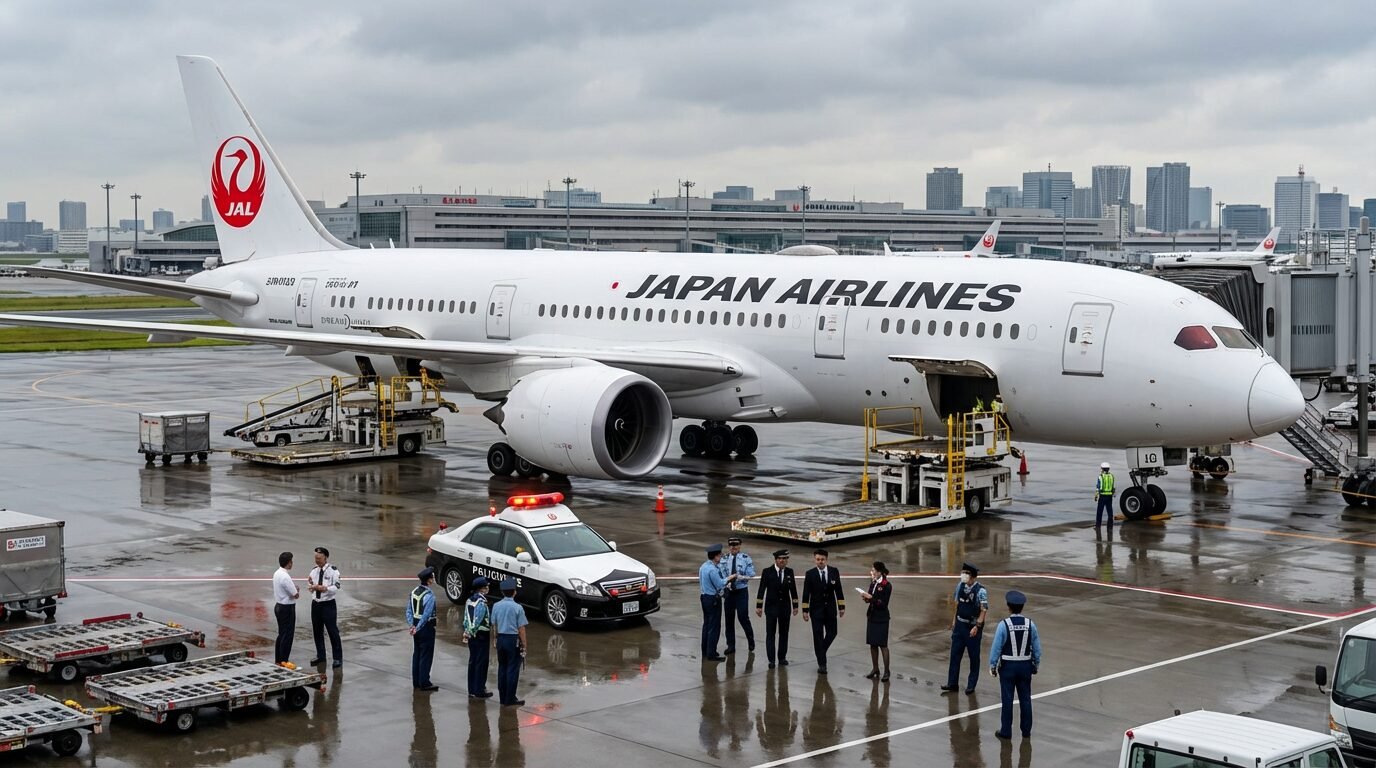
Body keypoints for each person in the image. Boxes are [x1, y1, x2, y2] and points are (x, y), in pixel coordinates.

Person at [988, 590, 1041, 740]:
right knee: (1025, 699)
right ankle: (1026, 731)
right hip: (1025, 666)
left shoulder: (1003, 625)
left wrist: (993, 665)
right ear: (1022, 607)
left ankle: (1006, 731)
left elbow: (996, 647)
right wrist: (1036, 664)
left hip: (1008, 667)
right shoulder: (1031, 625)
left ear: (1008, 606)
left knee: (1007, 699)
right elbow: (1037, 648)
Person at [942, 562, 988, 694]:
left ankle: (971, 684)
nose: (963, 575)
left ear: (972, 576)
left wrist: (977, 627)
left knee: (974, 657)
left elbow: (983, 610)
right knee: (955, 655)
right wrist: (954, 621)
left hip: (972, 626)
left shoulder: (981, 591)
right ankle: (952, 683)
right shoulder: (960, 586)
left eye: (966, 573)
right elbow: (957, 605)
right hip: (960, 625)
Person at [801, 548, 844, 674]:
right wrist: (805, 610)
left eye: (822, 560)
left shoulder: (834, 571)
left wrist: (841, 607)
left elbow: (839, 590)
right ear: (815, 560)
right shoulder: (810, 574)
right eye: (818, 559)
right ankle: (822, 664)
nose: (820, 562)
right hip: (816, 611)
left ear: (826, 560)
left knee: (833, 632)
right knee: (818, 635)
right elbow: (806, 593)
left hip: (830, 609)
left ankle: (820, 651)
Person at [755, 548, 798, 668]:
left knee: (784, 634)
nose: (782, 561)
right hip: (771, 608)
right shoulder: (767, 572)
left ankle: (782, 657)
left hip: (785, 608)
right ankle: (771, 660)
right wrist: (759, 606)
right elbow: (761, 589)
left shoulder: (790, 572)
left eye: (784, 559)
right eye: (780, 559)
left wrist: (795, 605)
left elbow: (793, 590)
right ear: (776, 560)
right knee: (771, 634)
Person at [491, 578, 528, 706]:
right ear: (514, 592)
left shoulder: (496, 606)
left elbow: (494, 625)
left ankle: (502, 698)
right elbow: (521, 628)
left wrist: (495, 639)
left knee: (502, 668)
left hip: (501, 638)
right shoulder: (518, 608)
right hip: (513, 640)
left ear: (502, 592)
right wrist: (524, 645)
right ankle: (510, 698)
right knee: (512, 669)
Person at [307, 546, 343, 668]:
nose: (317, 560)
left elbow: (336, 587)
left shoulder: (333, 571)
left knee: (332, 631)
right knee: (317, 631)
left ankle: (337, 658)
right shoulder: (314, 571)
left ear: (325, 557)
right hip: (316, 604)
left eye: (319, 558)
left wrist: (325, 588)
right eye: (316, 558)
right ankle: (320, 655)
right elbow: (310, 583)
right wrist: (312, 587)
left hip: (328, 605)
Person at [721, 537, 756, 655]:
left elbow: (752, 574)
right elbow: (721, 574)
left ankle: (750, 639)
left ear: (740, 546)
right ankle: (731, 645)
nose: (733, 547)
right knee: (729, 619)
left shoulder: (746, 558)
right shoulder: (724, 559)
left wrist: (740, 576)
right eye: (731, 545)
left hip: (741, 591)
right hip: (729, 592)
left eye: (735, 545)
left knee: (743, 617)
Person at [860, 561, 892, 681]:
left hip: (882, 618)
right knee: (873, 644)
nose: (872, 572)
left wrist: (871, 599)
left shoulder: (886, 585)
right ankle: (875, 668)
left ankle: (887, 671)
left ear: (879, 572)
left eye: (873, 570)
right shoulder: (873, 583)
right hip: (872, 616)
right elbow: (871, 598)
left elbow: (883, 604)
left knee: (883, 645)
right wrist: (866, 598)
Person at [699, 543, 732, 661]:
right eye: (720, 555)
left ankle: (705, 651)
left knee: (706, 625)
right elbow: (720, 584)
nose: (721, 557)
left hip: (704, 598)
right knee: (714, 627)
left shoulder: (703, 566)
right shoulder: (712, 570)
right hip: (713, 600)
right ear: (716, 556)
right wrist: (729, 578)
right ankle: (711, 653)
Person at [407, 567, 439, 691]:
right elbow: (426, 614)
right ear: (429, 580)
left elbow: (409, 610)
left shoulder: (414, 592)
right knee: (426, 654)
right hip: (426, 627)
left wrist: (412, 626)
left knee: (417, 653)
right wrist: (419, 627)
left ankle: (416, 681)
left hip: (415, 623)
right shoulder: (430, 596)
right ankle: (424, 681)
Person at [464, 576, 493, 699]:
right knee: (481, 662)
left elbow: (466, 618)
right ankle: (479, 689)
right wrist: (472, 631)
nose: (487, 588)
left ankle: (472, 689)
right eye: (486, 586)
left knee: (473, 661)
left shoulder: (469, 600)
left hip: (472, 635)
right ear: (482, 589)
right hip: (480, 635)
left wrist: (467, 632)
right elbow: (478, 619)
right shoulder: (481, 602)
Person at [272, 551, 299, 665]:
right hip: (287, 608)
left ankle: (278, 659)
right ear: (288, 563)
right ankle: (284, 660)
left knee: (281, 634)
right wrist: (297, 590)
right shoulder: (285, 576)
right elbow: (295, 595)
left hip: (278, 606)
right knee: (288, 635)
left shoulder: (277, 573)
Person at [1095, 462, 1116, 529]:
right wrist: (1113, 493)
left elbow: (1098, 487)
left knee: (1099, 512)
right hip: (1109, 496)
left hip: (1102, 496)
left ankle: (1098, 526)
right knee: (1110, 512)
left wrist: (1096, 495)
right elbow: (1113, 486)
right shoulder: (1112, 476)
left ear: (1102, 469)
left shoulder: (1100, 476)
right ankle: (1110, 527)